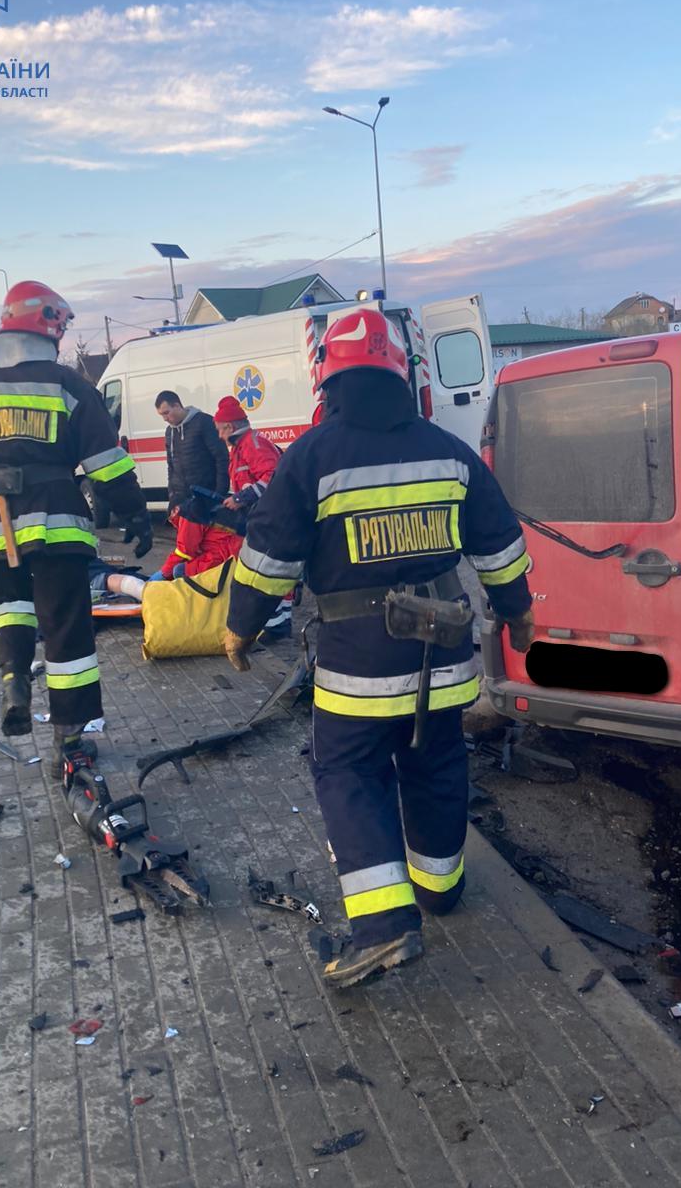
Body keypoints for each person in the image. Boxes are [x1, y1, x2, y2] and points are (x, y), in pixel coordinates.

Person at [224, 308, 534, 989]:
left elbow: (268, 559)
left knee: (347, 774)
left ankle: (384, 925)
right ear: (401, 371)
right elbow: (500, 547)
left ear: (327, 380)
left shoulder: (311, 457)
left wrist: (239, 627)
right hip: (443, 663)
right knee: (436, 763)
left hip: (357, 666)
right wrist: (518, 615)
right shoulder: (447, 452)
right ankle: (440, 890)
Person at [0, 279, 153, 774]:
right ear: (50, 325)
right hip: (57, 523)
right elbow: (105, 462)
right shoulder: (67, 384)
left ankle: (14, 681)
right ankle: (69, 741)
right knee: (65, 627)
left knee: (10, 605)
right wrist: (134, 511)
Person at [213, 394, 290, 640]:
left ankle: (278, 623)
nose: (219, 436)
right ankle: (277, 621)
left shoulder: (252, 445)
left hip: (270, 517)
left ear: (229, 427)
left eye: (219, 430)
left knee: (269, 570)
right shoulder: (243, 446)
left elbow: (272, 478)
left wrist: (240, 499)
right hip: (260, 517)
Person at [155, 390, 228, 512]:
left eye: (166, 413)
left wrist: (219, 493)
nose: (165, 419)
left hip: (205, 494)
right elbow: (171, 465)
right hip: (180, 497)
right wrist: (171, 493)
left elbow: (221, 458)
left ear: (177, 406)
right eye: (161, 415)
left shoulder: (204, 422)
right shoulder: (169, 432)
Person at [148, 508, 242, 581]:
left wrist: (162, 574)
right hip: (231, 551)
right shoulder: (198, 507)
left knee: (179, 571)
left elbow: (184, 552)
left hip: (223, 556)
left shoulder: (189, 515)